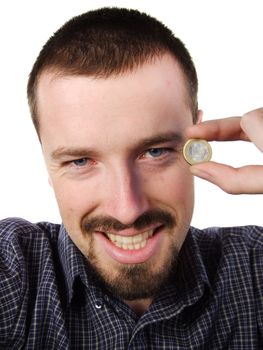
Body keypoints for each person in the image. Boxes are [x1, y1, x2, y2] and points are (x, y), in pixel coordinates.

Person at [0, 7, 262, 349]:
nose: (127, 210)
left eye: (155, 152)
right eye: (81, 161)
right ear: (47, 161)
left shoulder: (254, 271)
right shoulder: (15, 272)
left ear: (199, 141)